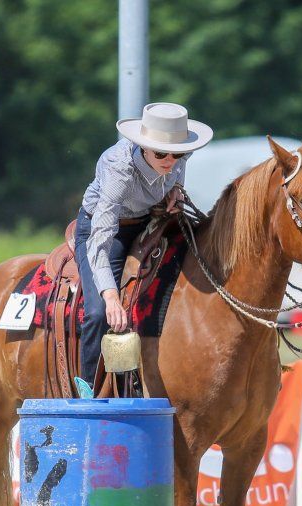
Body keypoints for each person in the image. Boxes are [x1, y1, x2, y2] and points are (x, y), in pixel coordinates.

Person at [75, 102, 213, 385]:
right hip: (106, 231)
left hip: (148, 222)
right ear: (143, 147)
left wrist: (175, 191)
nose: (171, 160)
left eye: (179, 152)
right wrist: (111, 296)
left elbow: (176, 173)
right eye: (161, 153)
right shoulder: (119, 169)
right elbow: (100, 239)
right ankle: (86, 390)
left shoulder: (176, 158)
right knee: (98, 313)